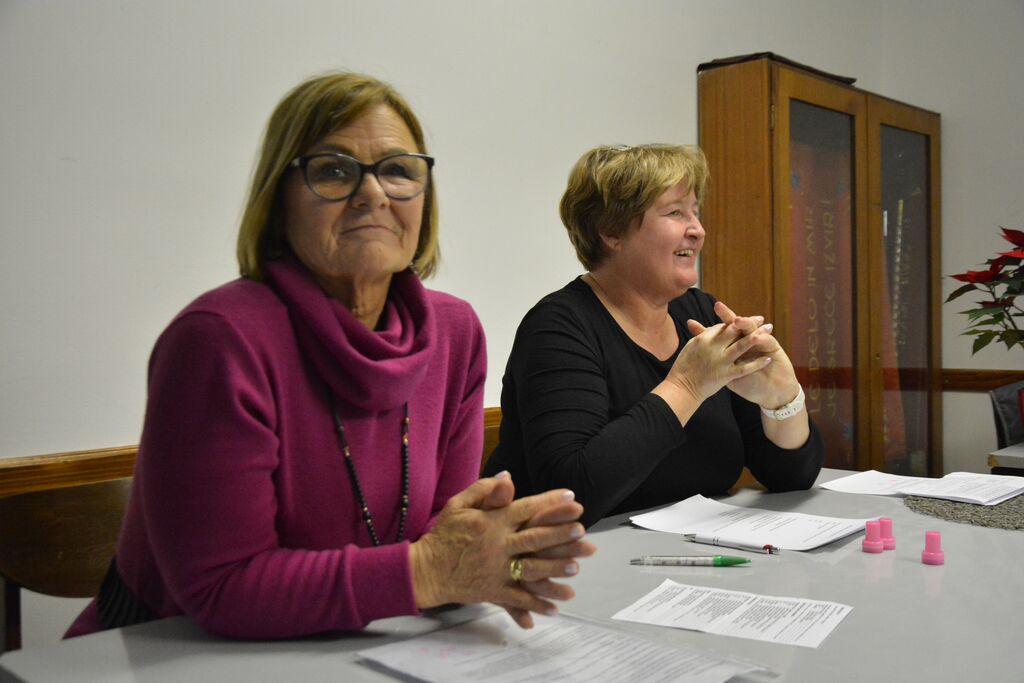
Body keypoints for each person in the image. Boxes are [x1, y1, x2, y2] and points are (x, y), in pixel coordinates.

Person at [66, 72, 594, 640]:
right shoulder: (217, 340)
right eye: (335, 171)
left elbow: (446, 536)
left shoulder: (455, 332)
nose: (373, 193)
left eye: (398, 170)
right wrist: (429, 572)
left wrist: (491, 557)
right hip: (170, 656)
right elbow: (219, 587)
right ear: (279, 199)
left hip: (370, 646)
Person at [483, 144, 824, 527]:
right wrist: (687, 386)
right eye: (675, 212)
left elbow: (790, 476)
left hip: (689, 552)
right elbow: (571, 495)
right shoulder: (558, 328)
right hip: (569, 558)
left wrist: (782, 398)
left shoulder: (700, 313)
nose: (697, 230)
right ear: (611, 231)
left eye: (695, 212)